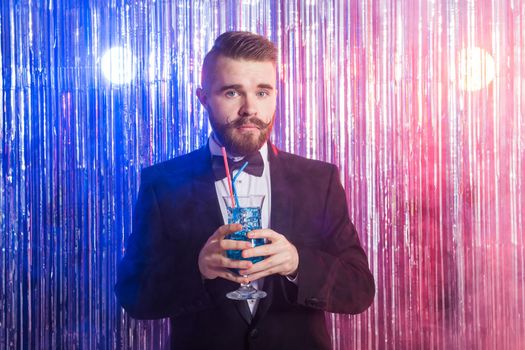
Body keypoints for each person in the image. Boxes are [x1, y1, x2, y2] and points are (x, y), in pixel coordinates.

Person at [115, 31, 375, 350]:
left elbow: (360, 289)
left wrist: (297, 263)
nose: (249, 108)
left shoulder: (319, 180)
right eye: (232, 92)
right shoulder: (161, 183)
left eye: (263, 92)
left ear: (277, 95)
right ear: (203, 98)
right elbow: (133, 295)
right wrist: (197, 269)